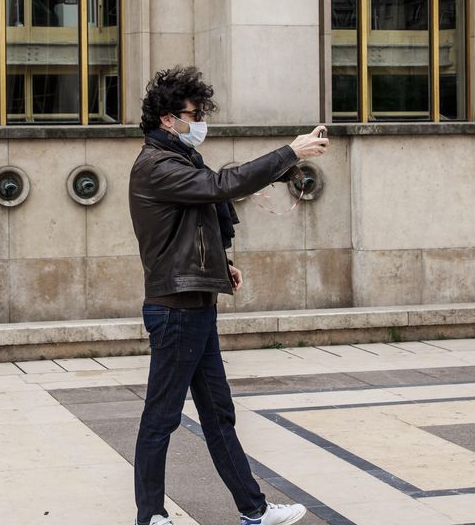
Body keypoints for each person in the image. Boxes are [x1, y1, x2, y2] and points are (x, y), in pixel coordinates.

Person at [128, 66, 329, 525]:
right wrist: (288, 151)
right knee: (161, 417)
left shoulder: (179, 161)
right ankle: (150, 516)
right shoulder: (156, 165)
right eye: (192, 115)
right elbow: (221, 186)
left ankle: (254, 510)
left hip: (195, 303)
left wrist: (223, 264)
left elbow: (193, 224)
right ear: (167, 120)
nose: (199, 122)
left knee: (218, 414)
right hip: (176, 309)